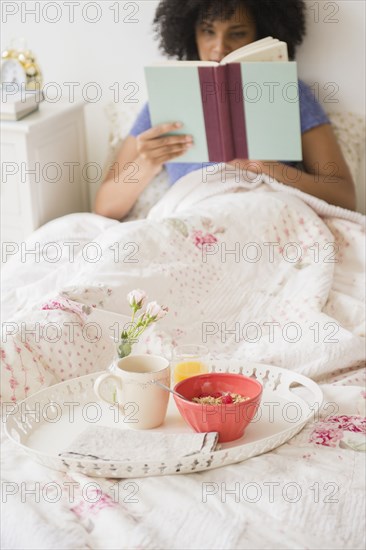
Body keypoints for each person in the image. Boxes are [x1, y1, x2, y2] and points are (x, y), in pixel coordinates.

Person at [94, 0, 356, 219]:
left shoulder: (290, 91)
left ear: (261, 34)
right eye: (208, 31)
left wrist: (268, 168)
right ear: (190, 32)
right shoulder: (164, 99)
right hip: (192, 211)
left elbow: (344, 197)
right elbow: (104, 209)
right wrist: (146, 164)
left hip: (266, 210)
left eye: (237, 32)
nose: (219, 48)